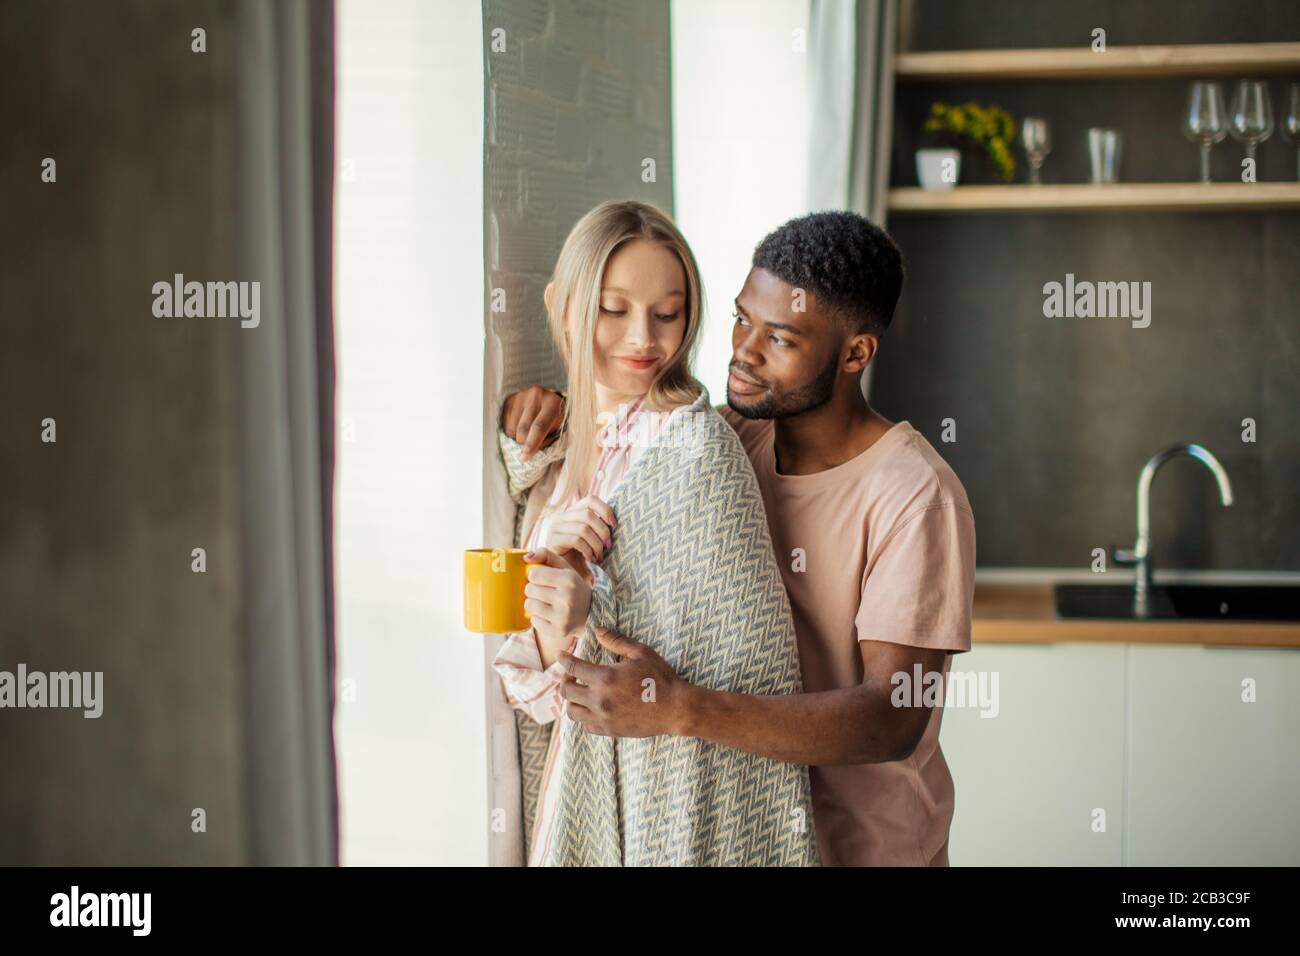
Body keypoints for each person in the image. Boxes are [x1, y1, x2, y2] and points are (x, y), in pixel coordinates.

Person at [502, 210, 977, 866]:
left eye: (778, 338)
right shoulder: (731, 438)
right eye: (740, 319)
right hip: (736, 828)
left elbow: (892, 719)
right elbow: (633, 432)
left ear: (855, 353)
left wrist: (678, 710)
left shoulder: (915, 493)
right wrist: (554, 408)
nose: (743, 352)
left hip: (864, 848)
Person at [491, 198, 819, 866]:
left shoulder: (697, 453)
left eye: (667, 314)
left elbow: (746, 667)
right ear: (563, 307)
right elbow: (548, 691)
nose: (643, 338)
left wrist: (592, 619)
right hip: (569, 798)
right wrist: (562, 623)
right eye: (613, 310)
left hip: (667, 805)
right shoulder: (558, 455)